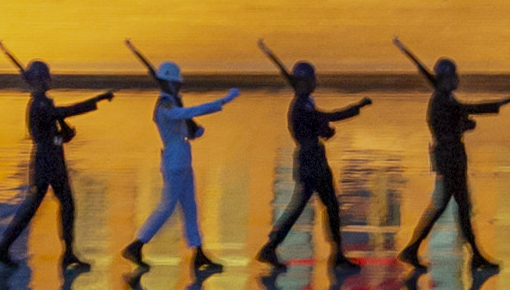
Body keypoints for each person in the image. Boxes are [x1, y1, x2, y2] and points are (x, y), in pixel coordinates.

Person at [0, 60, 115, 266]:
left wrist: (63, 134)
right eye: (45, 77)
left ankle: (67, 253)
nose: (49, 80)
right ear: (39, 80)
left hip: (52, 160)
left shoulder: (44, 103)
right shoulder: (39, 104)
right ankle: (3, 248)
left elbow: (55, 130)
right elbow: (64, 112)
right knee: (37, 207)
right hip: (46, 162)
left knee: (66, 205)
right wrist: (97, 100)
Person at [124, 59, 242, 268]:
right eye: (177, 83)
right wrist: (223, 101)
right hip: (174, 161)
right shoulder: (165, 105)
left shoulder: (171, 101)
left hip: (183, 159)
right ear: (169, 83)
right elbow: (184, 114)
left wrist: (194, 131)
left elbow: (183, 126)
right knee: (167, 207)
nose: (180, 86)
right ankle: (136, 245)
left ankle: (198, 252)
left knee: (191, 207)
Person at [252, 59, 371, 265]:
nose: (315, 83)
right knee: (304, 207)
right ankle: (270, 247)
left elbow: (317, 125)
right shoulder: (300, 106)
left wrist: (325, 130)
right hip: (310, 163)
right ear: (304, 83)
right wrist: (356, 107)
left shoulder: (305, 103)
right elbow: (327, 116)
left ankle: (337, 253)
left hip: (315, 159)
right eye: (311, 80)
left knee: (330, 205)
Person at [402, 56, 510, 265]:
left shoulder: (445, 99)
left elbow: (453, 122)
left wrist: (463, 126)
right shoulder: (442, 101)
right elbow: (468, 110)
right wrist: (500, 103)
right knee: (444, 206)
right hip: (449, 157)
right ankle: (413, 248)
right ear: (445, 79)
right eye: (453, 77)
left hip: (452, 155)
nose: (457, 80)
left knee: (460, 206)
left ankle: (475, 254)